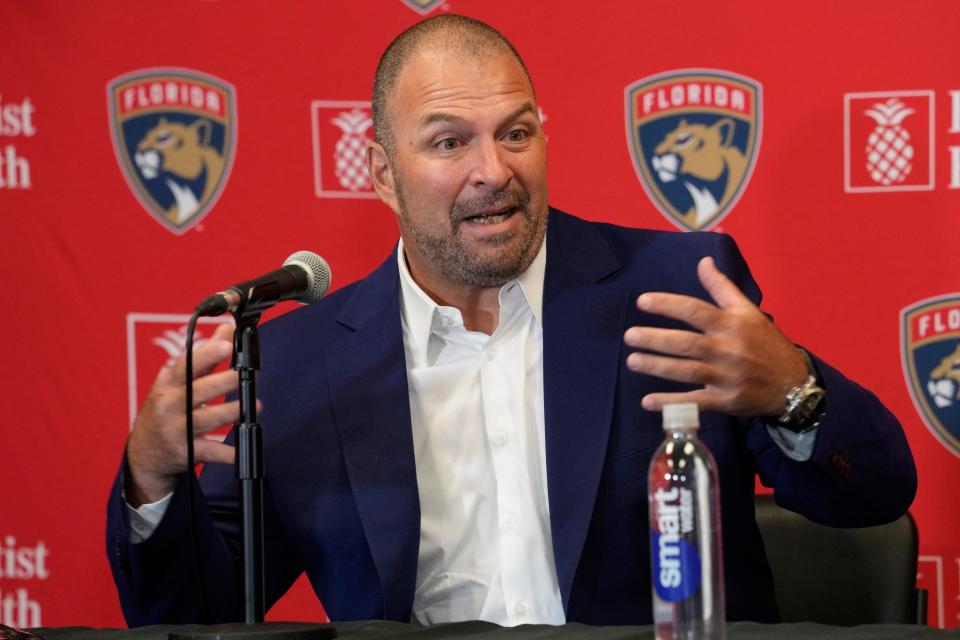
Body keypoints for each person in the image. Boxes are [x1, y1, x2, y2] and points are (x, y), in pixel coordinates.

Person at [107, 15, 916, 627]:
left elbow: (872, 496)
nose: (492, 171)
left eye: (516, 133)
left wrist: (794, 393)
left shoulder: (672, 292)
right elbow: (190, 614)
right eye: (450, 142)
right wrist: (150, 477)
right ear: (384, 175)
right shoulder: (296, 364)